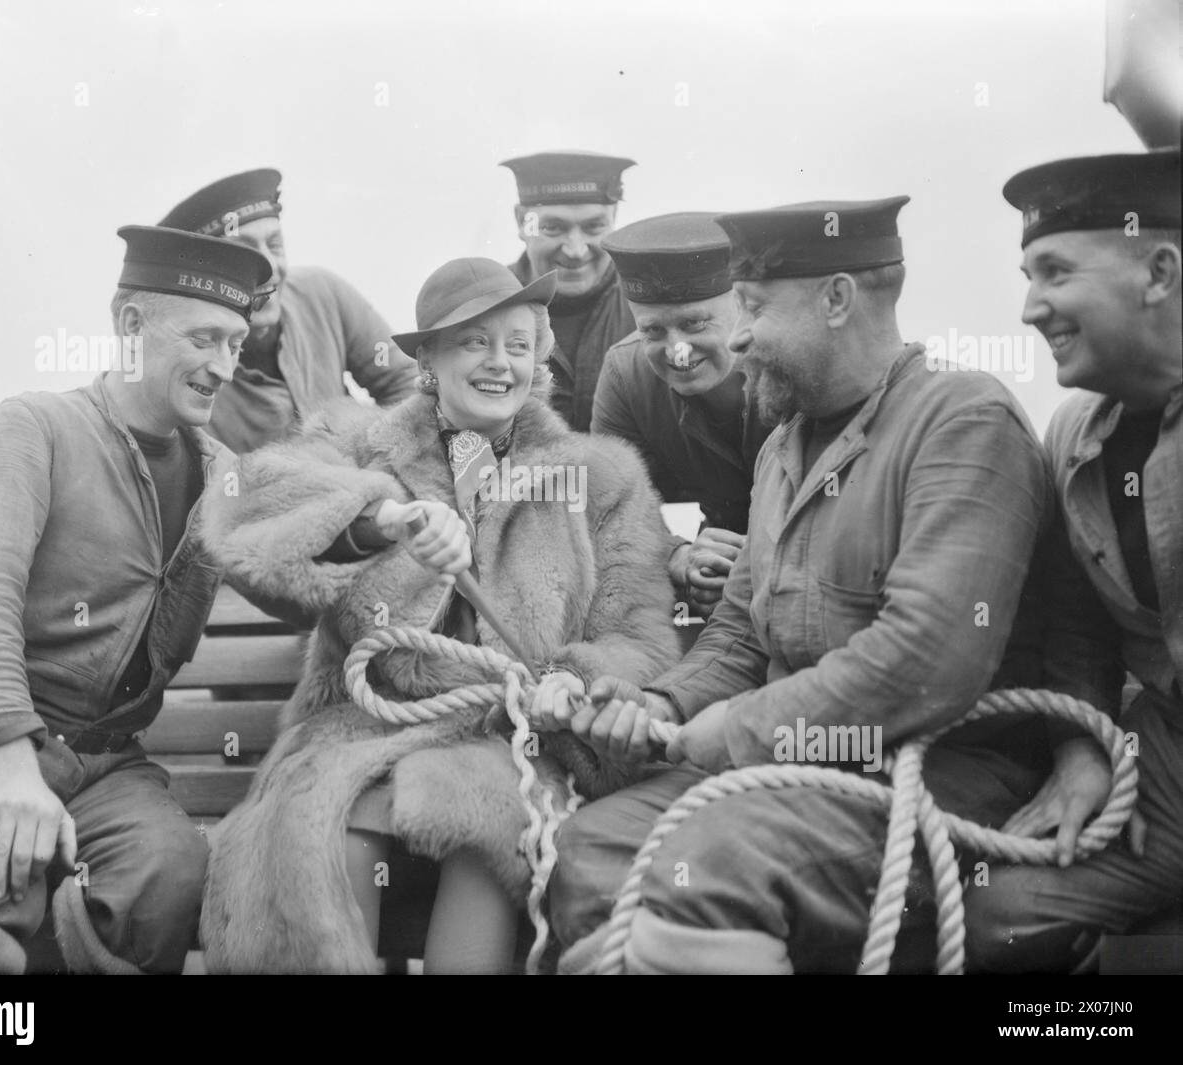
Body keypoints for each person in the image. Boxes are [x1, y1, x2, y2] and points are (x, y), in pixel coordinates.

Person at [547, 196, 1055, 974]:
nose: (739, 334)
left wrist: (741, 730)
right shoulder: (781, 447)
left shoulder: (962, 420)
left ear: (837, 298)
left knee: (711, 860)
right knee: (590, 848)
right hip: (790, 771)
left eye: (752, 306)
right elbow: (741, 635)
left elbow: (927, 659)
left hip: (937, 771)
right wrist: (664, 702)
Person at [197, 257, 679, 973]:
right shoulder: (356, 440)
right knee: (321, 831)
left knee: (488, 835)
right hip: (357, 729)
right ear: (427, 356)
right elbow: (246, 502)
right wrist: (380, 516)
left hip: (510, 737)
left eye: (518, 344)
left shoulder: (602, 476)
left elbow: (639, 633)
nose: (499, 364)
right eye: (474, 343)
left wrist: (579, 682)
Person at [0, 226, 273, 973]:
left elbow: (296, 560)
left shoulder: (223, 476)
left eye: (236, 343)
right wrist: (12, 762)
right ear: (130, 325)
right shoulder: (34, 427)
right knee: (3, 863)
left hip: (106, 767)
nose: (224, 366)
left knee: (167, 871)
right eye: (204, 338)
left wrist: (385, 522)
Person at [965, 149, 1182, 972]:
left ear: (1159, 270)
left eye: (1054, 272)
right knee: (1002, 917)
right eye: (1027, 275)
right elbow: (1079, 621)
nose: (1030, 307)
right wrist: (1087, 747)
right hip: (1166, 748)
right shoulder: (1072, 434)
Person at [159, 168, 417, 453]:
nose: (269, 268)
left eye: (275, 245)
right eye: (246, 254)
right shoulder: (187, 371)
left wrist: (375, 457)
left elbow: (408, 381)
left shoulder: (322, 293)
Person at [593, 212, 773, 617]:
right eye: (653, 332)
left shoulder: (787, 360)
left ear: (742, 307)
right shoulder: (627, 375)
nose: (676, 350)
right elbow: (612, 507)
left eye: (694, 324)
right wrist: (677, 555)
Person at [502, 151, 638, 430]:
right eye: (553, 227)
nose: (575, 250)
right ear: (520, 222)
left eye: (594, 227)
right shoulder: (484, 305)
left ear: (614, 218)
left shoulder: (647, 304)